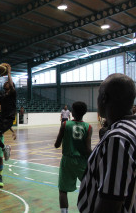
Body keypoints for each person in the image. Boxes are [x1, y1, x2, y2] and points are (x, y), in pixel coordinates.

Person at [78, 73, 136, 213]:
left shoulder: (118, 138)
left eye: (99, 94)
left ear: (104, 98)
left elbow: (111, 203)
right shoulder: (131, 128)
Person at [54, 101, 92, 213]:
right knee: (89, 188)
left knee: (63, 190)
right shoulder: (88, 127)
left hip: (67, 160)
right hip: (82, 162)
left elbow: (56, 145)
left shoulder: (65, 125)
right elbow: (88, 149)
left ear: (73, 112)